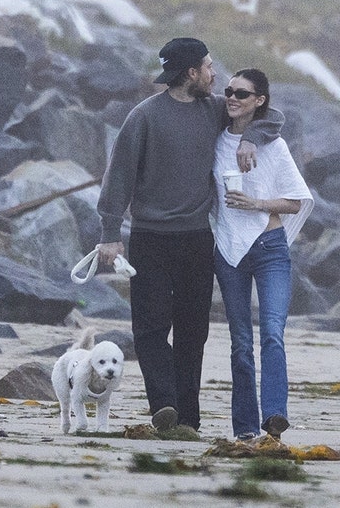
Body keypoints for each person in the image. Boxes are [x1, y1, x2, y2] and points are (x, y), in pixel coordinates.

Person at [96, 38, 285, 432]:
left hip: (197, 240)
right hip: (149, 238)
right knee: (148, 329)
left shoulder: (214, 109)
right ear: (192, 73)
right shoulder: (144, 116)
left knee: (192, 332)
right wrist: (110, 233)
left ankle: (189, 420)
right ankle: (164, 405)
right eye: (210, 67)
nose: (216, 76)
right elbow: (119, 177)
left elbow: (271, 115)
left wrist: (252, 138)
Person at [212, 68, 313, 441]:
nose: (233, 98)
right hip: (228, 251)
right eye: (229, 91)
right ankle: (244, 429)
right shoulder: (216, 141)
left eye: (242, 93)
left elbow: (295, 201)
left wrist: (254, 203)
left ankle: (274, 417)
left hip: (270, 248)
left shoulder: (275, 145)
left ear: (260, 101)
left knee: (272, 332)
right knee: (240, 343)